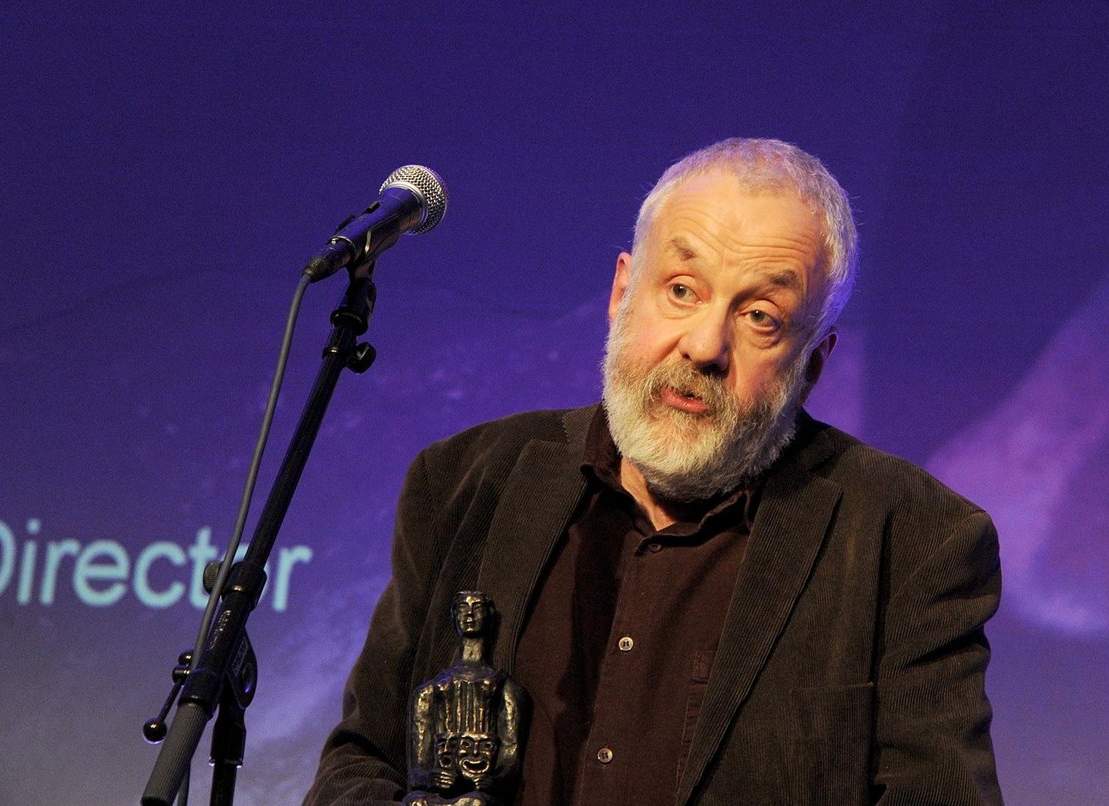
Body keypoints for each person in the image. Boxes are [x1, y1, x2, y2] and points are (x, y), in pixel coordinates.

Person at [305, 138, 1002, 805]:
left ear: (813, 362)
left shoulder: (911, 542)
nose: (704, 345)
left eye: (760, 316)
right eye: (681, 289)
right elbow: (361, 765)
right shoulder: (465, 482)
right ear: (622, 290)